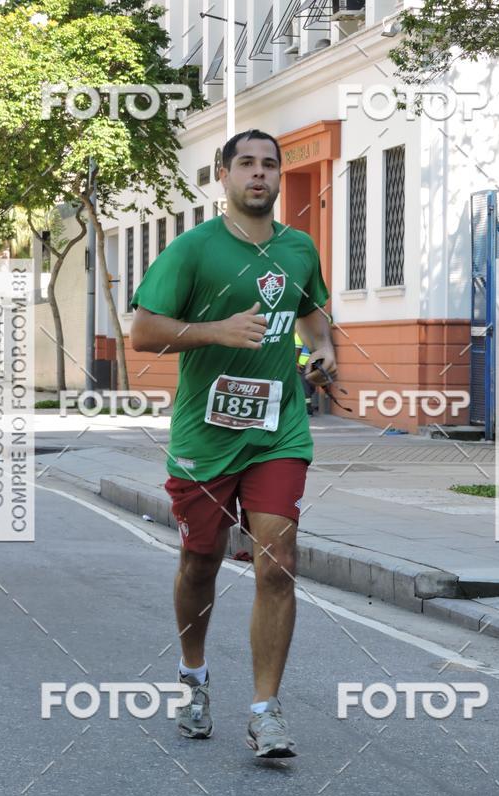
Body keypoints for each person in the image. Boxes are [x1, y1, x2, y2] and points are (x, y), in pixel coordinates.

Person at [130, 129, 336, 759]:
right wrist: (216, 328)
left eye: (269, 165)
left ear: (279, 177)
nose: (259, 175)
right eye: (245, 164)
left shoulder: (298, 248)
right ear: (223, 174)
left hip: (277, 430)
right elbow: (143, 332)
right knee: (201, 560)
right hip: (205, 434)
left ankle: (265, 711)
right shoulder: (192, 250)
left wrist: (322, 349)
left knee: (279, 561)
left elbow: (311, 315)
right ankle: (194, 678)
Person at [294, 332, 318, 416]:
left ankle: (307, 410)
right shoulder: (313, 332)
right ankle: (308, 409)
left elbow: (297, 348)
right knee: (308, 387)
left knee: (307, 388)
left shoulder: (300, 333)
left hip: (306, 364)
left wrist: (295, 362)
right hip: (311, 364)